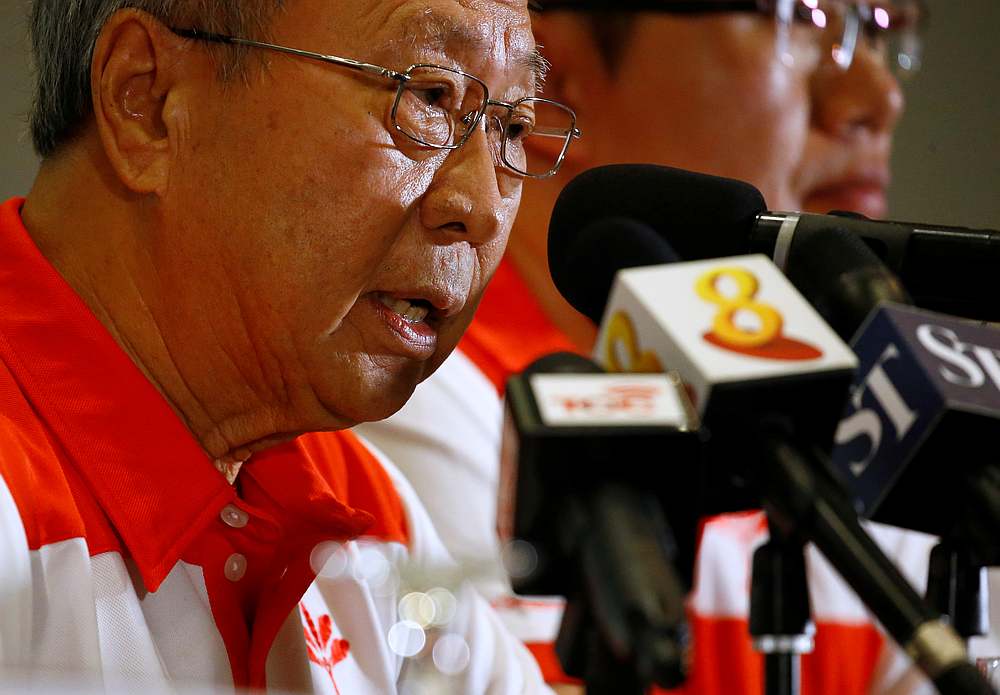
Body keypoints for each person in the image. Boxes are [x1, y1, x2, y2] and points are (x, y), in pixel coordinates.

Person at [356, 2, 943, 693]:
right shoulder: (404, 388)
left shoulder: (873, 426)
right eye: (804, 17)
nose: (880, 99)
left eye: (883, 32)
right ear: (546, 89)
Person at [0, 0, 581, 692]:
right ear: (148, 99)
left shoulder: (359, 508)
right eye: (429, 96)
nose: (483, 205)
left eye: (512, 125)